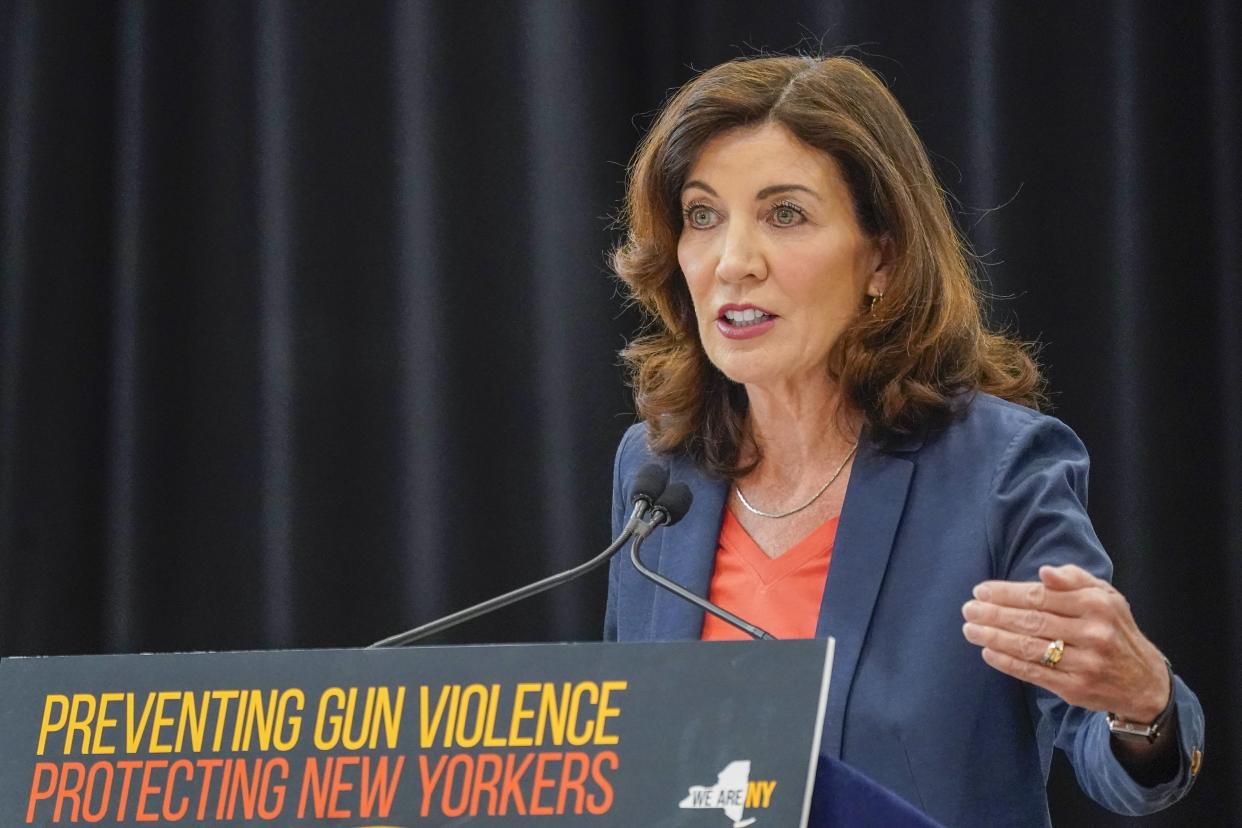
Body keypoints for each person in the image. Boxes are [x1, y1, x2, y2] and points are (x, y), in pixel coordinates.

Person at [602, 55, 1204, 826]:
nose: (733, 262)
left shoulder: (997, 471)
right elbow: (629, 751)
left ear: (880, 257)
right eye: (702, 215)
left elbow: (1103, 741)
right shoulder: (657, 472)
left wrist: (1141, 708)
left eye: (785, 214)